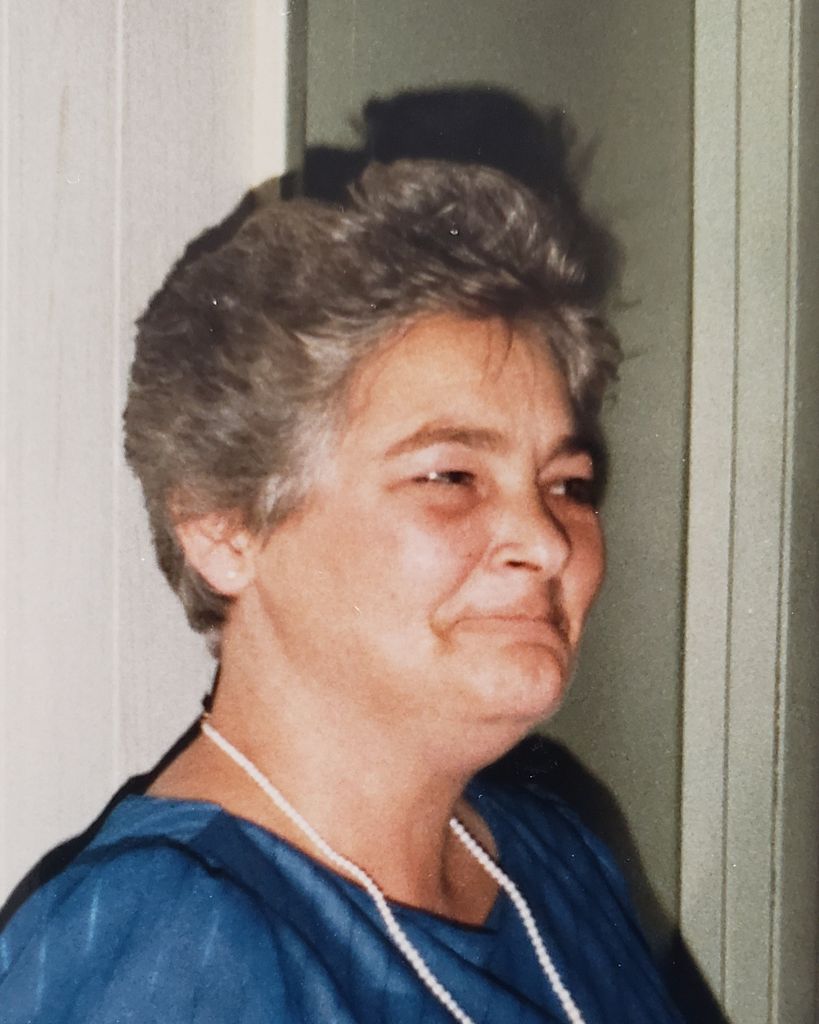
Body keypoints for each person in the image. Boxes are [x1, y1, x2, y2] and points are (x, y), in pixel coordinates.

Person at [0, 160, 683, 1023]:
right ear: (224, 529)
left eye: (567, 484)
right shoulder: (167, 948)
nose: (546, 542)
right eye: (450, 476)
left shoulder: (553, 852)